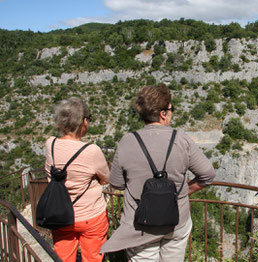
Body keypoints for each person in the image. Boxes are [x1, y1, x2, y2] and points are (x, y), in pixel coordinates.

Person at [101, 83, 215, 261]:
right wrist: (183, 192)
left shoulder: (127, 141)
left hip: (139, 225)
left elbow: (116, 183)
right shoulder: (181, 139)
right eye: (171, 109)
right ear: (163, 114)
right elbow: (207, 175)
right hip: (175, 221)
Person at [44, 97, 110, 262]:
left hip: (60, 214)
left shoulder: (50, 144)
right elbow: (106, 178)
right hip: (91, 215)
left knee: (62, 258)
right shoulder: (91, 150)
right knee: (93, 258)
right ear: (84, 122)